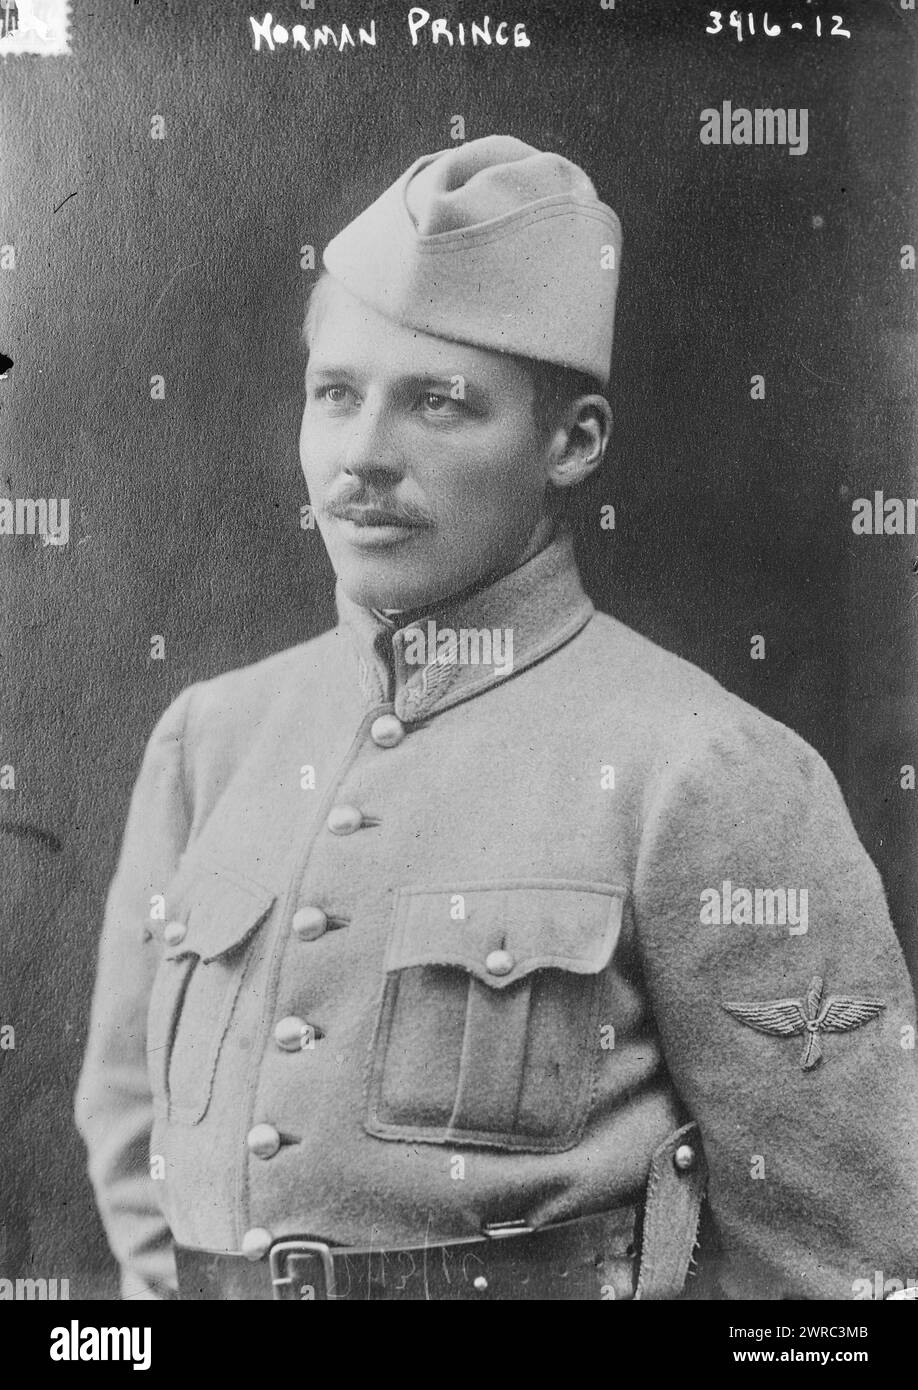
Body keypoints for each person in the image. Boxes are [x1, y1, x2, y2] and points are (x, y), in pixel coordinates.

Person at [75, 134, 918, 1301]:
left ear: (569, 443)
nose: (364, 457)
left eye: (440, 404)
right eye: (336, 395)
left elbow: (842, 1268)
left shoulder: (707, 772)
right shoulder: (210, 739)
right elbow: (132, 1145)